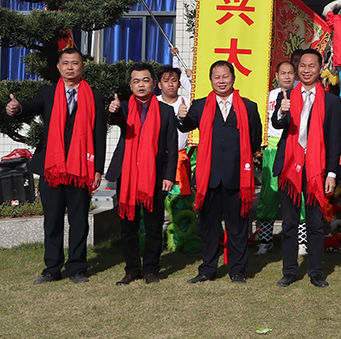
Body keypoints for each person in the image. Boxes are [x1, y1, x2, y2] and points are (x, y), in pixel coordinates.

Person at [5, 46, 108, 284]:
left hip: (82, 169)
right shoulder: (48, 94)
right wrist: (16, 108)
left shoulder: (95, 96)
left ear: (82, 66)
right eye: (66, 63)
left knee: (79, 220)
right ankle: (52, 269)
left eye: (75, 63)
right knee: (52, 220)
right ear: (58, 67)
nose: (70, 67)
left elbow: (99, 134)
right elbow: (28, 107)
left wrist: (98, 169)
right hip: (52, 168)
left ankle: (77, 268)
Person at [175, 60, 263, 284]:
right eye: (217, 77)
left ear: (233, 78)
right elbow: (186, 125)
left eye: (225, 76)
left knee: (238, 227)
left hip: (237, 176)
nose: (221, 81)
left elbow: (255, 139)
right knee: (209, 227)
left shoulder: (249, 106)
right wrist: (182, 116)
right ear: (211, 80)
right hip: (209, 177)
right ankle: (207, 269)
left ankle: (237, 270)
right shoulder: (200, 105)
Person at [271, 48, 341, 287]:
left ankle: (316, 272)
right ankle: (289, 271)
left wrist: (332, 172)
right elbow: (277, 123)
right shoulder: (287, 95)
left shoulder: (332, 102)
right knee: (289, 223)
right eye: (302, 65)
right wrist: (282, 111)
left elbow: (336, 140)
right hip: (290, 168)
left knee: (314, 224)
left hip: (316, 171)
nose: (307, 70)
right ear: (297, 67)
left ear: (320, 68)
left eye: (312, 66)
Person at [104, 63, 177, 284]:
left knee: (154, 227)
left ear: (154, 84)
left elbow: (171, 147)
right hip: (127, 175)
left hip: (155, 176)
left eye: (145, 80)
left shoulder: (166, 111)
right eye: (136, 81)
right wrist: (114, 110)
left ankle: (152, 269)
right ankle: (132, 269)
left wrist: (168, 176)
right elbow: (113, 120)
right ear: (130, 85)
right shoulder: (124, 108)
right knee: (128, 227)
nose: (141, 85)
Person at [257, 59, 297, 254]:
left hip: (295, 149)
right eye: (283, 73)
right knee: (269, 194)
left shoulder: (301, 93)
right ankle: (265, 239)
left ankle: (301, 239)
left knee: (299, 193)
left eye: (290, 72)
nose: (287, 76)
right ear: (277, 76)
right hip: (273, 149)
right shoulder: (269, 96)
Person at [157, 65, 192, 193]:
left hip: (182, 157)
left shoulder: (188, 103)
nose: (170, 84)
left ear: (179, 83)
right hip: (158, 158)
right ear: (159, 85)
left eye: (174, 80)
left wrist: (192, 77)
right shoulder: (153, 103)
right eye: (166, 81)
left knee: (180, 201)